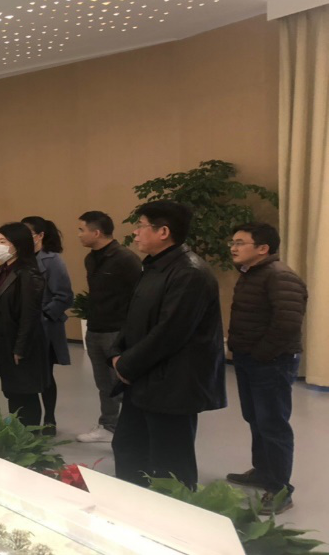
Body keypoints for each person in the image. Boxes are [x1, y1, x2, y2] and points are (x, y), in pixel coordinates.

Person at [107, 200, 226, 490]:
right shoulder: (154, 266)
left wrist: (126, 365)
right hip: (143, 378)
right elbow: (134, 317)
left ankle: (173, 514)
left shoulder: (190, 273)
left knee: (170, 463)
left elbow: (170, 332)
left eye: (141, 226)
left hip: (173, 383)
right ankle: (131, 506)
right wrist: (116, 352)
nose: (135, 233)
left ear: (163, 232)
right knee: (128, 447)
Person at [225, 222, 307, 514]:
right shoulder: (251, 274)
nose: (233, 248)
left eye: (240, 242)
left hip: (271, 361)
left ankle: (281, 489)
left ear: (263, 248)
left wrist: (261, 354)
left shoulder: (279, 276)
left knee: (273, 424)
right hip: (250, 359)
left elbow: (287, 324)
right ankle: (263, 472)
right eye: (232, 242)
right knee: (256, 419)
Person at [75, 211, 142, 443]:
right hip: (95, 328)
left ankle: (133, 430)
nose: (79, 235)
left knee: (122, 382)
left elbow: (140, 296)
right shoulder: (90, 259)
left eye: (82, 230)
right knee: (104, 384)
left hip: (117, 331)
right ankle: (108, 425)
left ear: (96, 232)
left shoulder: (125, 259)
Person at [0, 222, 48, 425]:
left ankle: (29, 432)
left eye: (3, 242)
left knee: (24, 391)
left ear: (18, 244)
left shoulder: (28, 273)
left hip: (19, 342)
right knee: (12, 390)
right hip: (1, 339)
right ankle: (17, 428)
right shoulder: (3, 270)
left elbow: (30, 314)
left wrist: (20, 347)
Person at [21, 216, 73, 435]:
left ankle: (49, 418)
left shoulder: (52, 260)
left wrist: (42, 316)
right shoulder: (20, 258)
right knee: (26, 375)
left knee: (45, 375)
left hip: (44, 328)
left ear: (40, 235)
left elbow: (64, 296)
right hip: (23, 327)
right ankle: (27, 418)